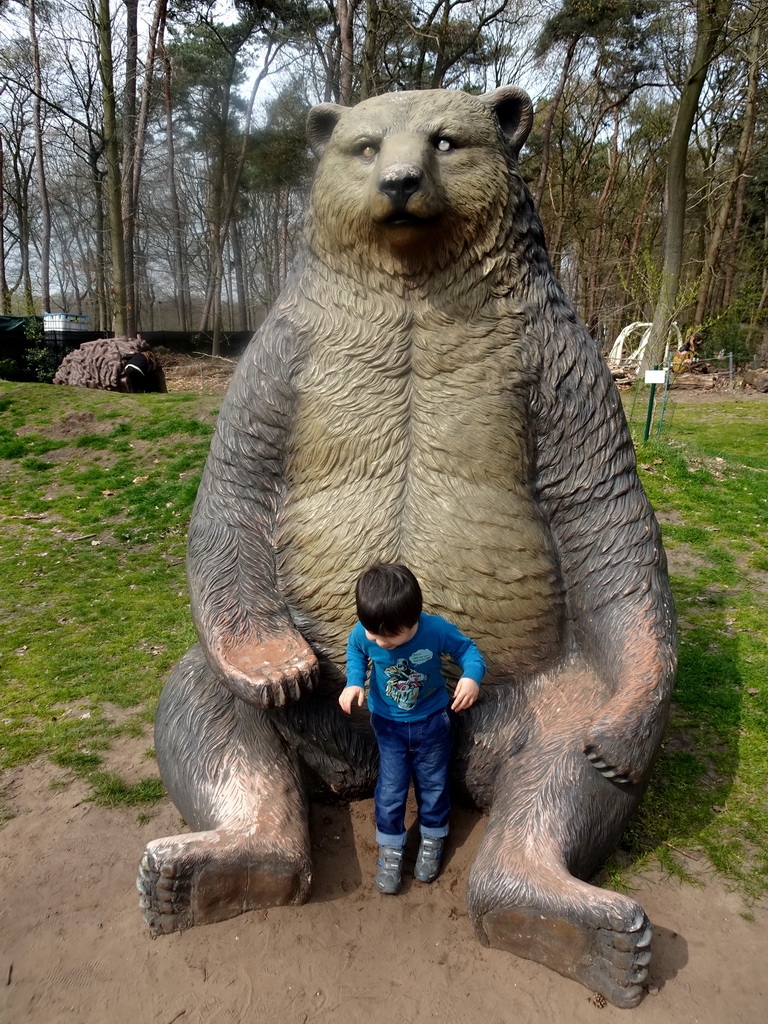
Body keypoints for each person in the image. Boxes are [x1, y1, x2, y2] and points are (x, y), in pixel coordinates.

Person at [340, 564, 485, 894]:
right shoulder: (366, 633)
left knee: (433, 785)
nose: (380, 642)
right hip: (388, 726)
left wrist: (470, 676)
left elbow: (468, 650)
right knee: (391, 789)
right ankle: (391, 845)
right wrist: (353, 682)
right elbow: (356, 652)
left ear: (414, 620)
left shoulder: (434, 630)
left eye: (390, 638)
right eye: (374, 635)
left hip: (432, 723)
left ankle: (433, 836)